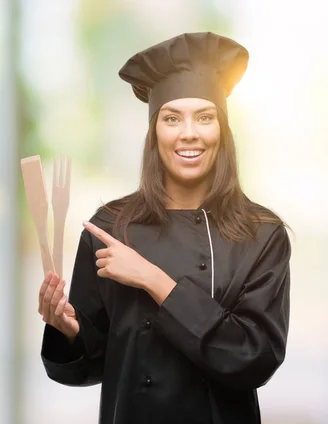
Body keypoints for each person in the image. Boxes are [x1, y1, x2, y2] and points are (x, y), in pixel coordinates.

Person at [38, 32, 291, 424]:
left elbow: (254, 358)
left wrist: (155, 280)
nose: (188, 132)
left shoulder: (261, 233)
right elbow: (89, 367)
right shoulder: (110, 227)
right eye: (172, 118)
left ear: (221, 130)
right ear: (155, 132)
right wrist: (67, 332)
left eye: (204, 117)